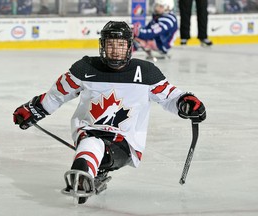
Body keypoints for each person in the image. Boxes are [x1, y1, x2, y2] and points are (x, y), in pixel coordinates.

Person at [13, 21, 206, 204]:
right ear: (102, 46)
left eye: (120, 45)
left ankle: (86, 170)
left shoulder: (146, 72)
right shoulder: (85, 68)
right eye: (110, 45)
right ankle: (85, 173)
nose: (115, 51)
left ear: (129, 47)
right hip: (88, 130)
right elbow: (57, 95)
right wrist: (34, 109)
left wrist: (185, 103)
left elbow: (170, 96)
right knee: (90, 141)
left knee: (93, 145)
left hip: (124, 142)